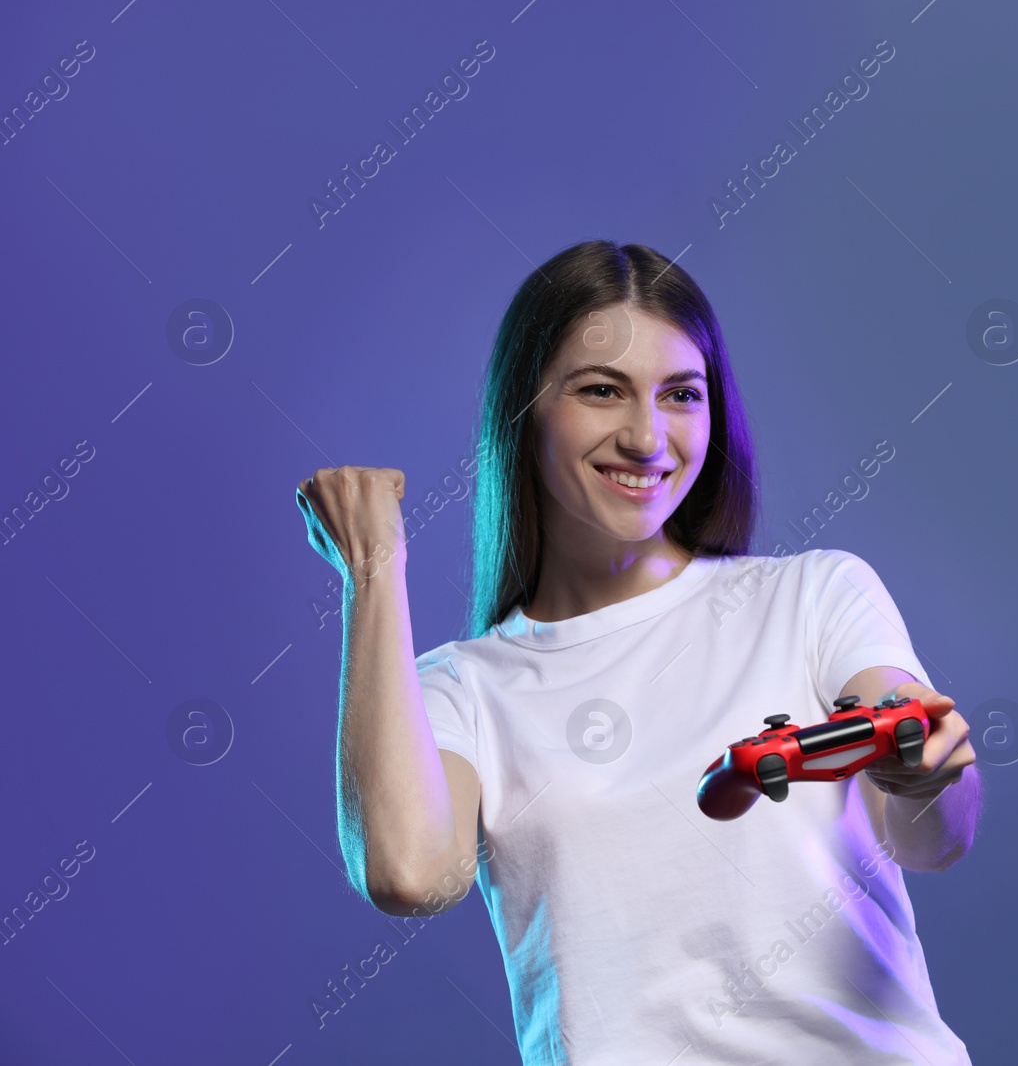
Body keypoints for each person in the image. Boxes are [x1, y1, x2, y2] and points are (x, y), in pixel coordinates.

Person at [295, 239, 982, 1064]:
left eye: (681, 395)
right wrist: (374, 570)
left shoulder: (814, 594)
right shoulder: (463, 688)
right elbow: (407, 872)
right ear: (526, 409)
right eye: (601, 391)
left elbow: (934, 835)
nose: (647, 437)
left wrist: (927, 773)